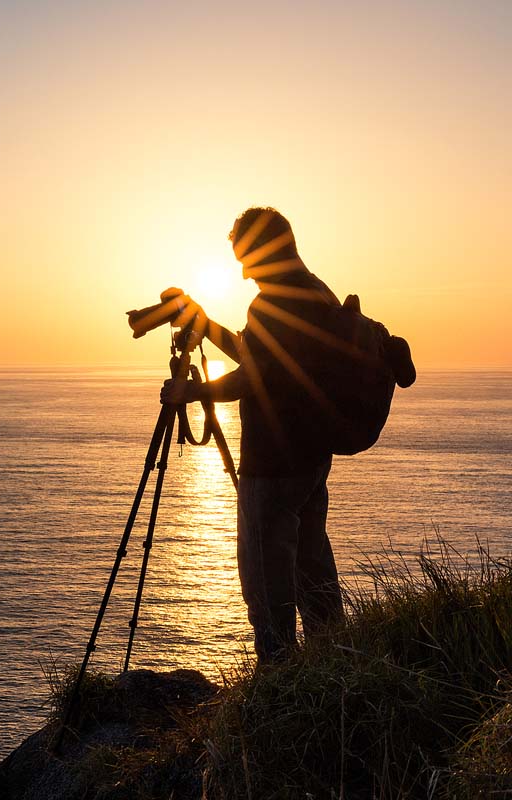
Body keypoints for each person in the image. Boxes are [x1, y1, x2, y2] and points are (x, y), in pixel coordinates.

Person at [162, 207, 345, 663]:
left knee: (266, 587)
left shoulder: (274, 304)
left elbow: (251, 377)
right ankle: (335, 666)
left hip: (273, 466)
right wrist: (203, 322)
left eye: (247, 258)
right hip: (310, 460)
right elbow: (254, 353)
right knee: (311, 569)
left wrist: (192, 391)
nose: (243, 272)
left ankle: (278, 684)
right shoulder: (316, 293)